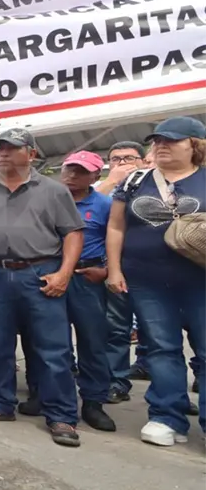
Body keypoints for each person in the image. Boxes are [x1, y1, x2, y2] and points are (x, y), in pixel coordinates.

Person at [0, 128, 85, 447]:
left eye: (12, 148)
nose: (3, 153)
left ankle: (62, 416)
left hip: (40, 273)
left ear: (31, 154)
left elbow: (73, 234)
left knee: (53, 349)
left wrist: (64, 273)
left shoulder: (53, 191)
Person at [107, 116, 206, 447]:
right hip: (146, 282)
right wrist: (115, 270)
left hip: (200, 282)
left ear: (195, 145)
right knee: (162, 350)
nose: (161, 145)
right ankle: (166, 416)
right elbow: (116, 227)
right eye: (157, 140)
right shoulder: (136, 180)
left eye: (172, 140)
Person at [51, 151, 117, 432]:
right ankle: (51, 396)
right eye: (69, 169)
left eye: (80, 171)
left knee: (92, 341)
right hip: (52, 275)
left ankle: (93, 401)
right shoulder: (49, 200)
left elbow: (117, 241)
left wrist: (107, 271)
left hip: (87, 277)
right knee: (53, 342)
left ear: (95, 176)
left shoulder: (105, 204)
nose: (72, 175)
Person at [96, 141, 148, 397]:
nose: (122, 163)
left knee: (160, 333)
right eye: (116, 159)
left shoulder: (156, 183)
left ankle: (167, 389)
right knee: (116, 328)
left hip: (153, 268)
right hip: (114, 267)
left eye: (129, 158)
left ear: (142, 161)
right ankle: (116, 382)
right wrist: (111, 181)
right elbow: (81, 210)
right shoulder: (100, 188)